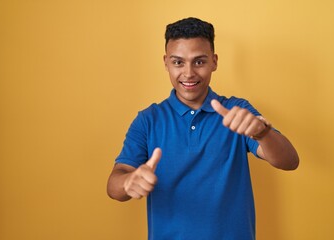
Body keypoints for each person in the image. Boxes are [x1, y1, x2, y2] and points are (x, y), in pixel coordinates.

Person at [107, 17, 299, 240]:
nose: (188, 73)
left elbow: (289, 161)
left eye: (199, 62)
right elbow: (114, 185)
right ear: (166, 62)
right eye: (178, 62)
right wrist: (128, 182)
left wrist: (263, 134)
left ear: (214, 62)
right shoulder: (148, 120)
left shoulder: (236, 110)